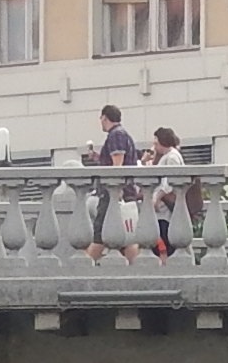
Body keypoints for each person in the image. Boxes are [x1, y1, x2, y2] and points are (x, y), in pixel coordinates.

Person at [81, 101, 141, 261]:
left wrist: (116, 188)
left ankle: (85, 267)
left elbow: (117, 164)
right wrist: (99, 158)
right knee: (128, 237)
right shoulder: (123, 134)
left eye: (101, 118)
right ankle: (135, 268)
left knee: (100, 234)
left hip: (113, 193)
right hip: (126, 193)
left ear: (105, 118)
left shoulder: (116, 135)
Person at [148, 126, 193, 258]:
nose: (155, 146)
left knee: (164, 236)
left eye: (156, 143)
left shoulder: (171, 157)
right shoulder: (170, 155)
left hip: (165, 207)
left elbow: (168, 183)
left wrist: (157, 198)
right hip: (164, 206)